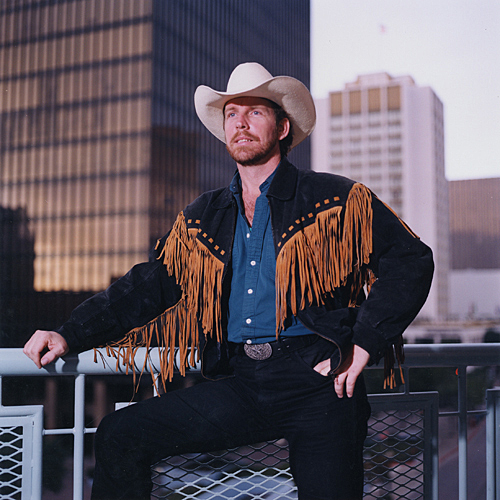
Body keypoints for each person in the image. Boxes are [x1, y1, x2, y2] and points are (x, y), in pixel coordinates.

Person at [24, 62, 434, 500]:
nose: (240, 122)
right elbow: (148, 285)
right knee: (120, 434)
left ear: (281, 128)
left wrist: (365, 342)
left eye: (255, 112)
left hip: (318, 381)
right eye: (232, 113)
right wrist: (69, 333)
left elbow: (410, 260)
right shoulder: (204, 215)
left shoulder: (336, 198)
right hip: (242, 380)